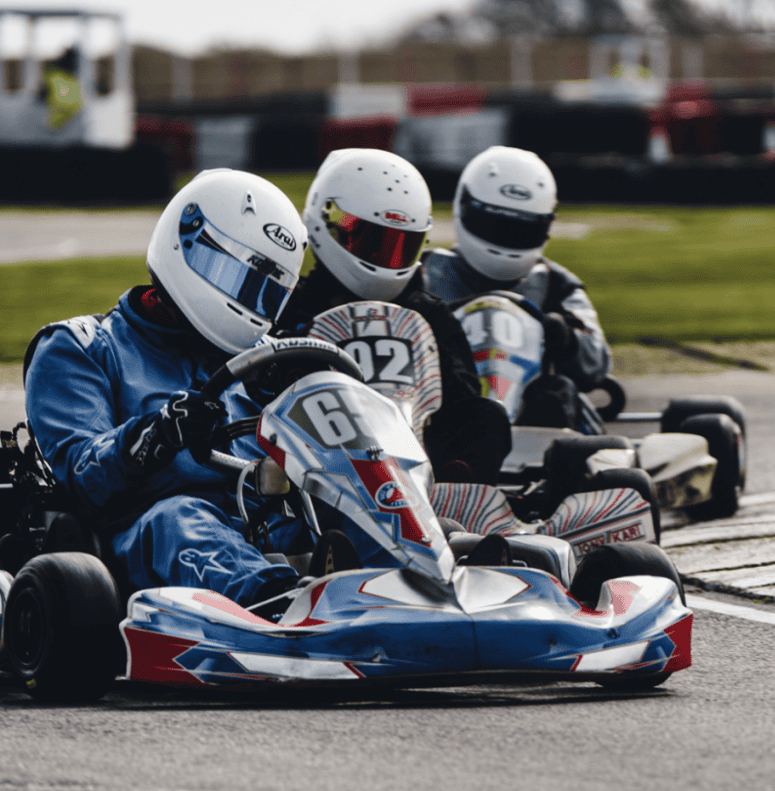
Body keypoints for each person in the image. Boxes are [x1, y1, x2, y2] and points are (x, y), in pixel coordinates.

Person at [24, 169, 312, 615]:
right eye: (237, 279)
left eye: (264, 293)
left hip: (258, 525)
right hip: (142, 537)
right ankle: (279, 608)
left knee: (341, 511)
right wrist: (158, 434)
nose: (248, 305)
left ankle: (410, 582)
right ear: (189, 247)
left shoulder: (262, 361)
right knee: (180, 517)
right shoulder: (81, 347)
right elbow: (82, 477)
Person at [277, 147, 511, 485]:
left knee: (488, 416)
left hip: (420, 459)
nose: (386, 260)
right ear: (329, 222)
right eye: (374, 243)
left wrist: (431, 358)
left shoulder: (430, 315)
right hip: (317, 460)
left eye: (400, 246)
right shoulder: (292, 308)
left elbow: (466, 396)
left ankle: (455, 504)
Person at [421, 145, 612, 431]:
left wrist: (565, 337)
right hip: (440, 416)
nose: (505, 239)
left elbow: (596, 365)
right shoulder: (424, 275)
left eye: (520, 229)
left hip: (530, 425)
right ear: (464, 207)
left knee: (558, 393)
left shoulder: (555, 285)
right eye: (495, 224)